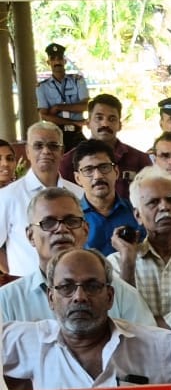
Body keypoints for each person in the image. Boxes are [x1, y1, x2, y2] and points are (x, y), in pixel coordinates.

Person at [2, 248, 171, 389]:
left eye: (92, 286)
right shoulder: (33, 342)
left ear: (110, 297)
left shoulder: (158, 347)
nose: (79, 297)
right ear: (50, 298)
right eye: (66, 287)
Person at [0, 188, 154, 326]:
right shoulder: (7, 301)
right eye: (48, 223)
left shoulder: (122, 295)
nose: (61, 229)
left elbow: (149, 351)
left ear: (86, 230)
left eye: (71, 221)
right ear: (30, 236)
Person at [107, 167, 171, 329]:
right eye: (153, 202)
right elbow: (117, 321)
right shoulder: (115, 264)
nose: (165, 207)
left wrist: (140, 324)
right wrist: (128, 263)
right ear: (138, 216)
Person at [0, 123, 83, 277]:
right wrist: (14, 275)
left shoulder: (78, 194)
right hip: (26, 290)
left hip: (71, 289)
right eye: (38, 145)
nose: (46, 151)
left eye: (53, 146)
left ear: (62, 151)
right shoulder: (7, 197)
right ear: (27, 151)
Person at [59, 94, 152, 200]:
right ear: (88, 123)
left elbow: (151, 198)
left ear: (120, 125)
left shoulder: (139, 160)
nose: (105, 124)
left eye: (112, 119)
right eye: (99, 118)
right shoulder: (67, 162)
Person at [71, 140, 143, 256]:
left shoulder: (137, 214)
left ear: (116, 172)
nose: (98, 176)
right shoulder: (71, 220)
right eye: (88, 170)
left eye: (104, 167)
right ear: (77, 178)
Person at [36, 43, 88, 150]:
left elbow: (85, 106)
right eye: (53, 59)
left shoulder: (77, 80)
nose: (57, 62)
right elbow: (45, 116)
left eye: (59, 58)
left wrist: (58, 107)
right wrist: (74, 122)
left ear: (64, 61)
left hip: (76, 134)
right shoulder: (42, 87)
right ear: (48, 62)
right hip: (56, 135)